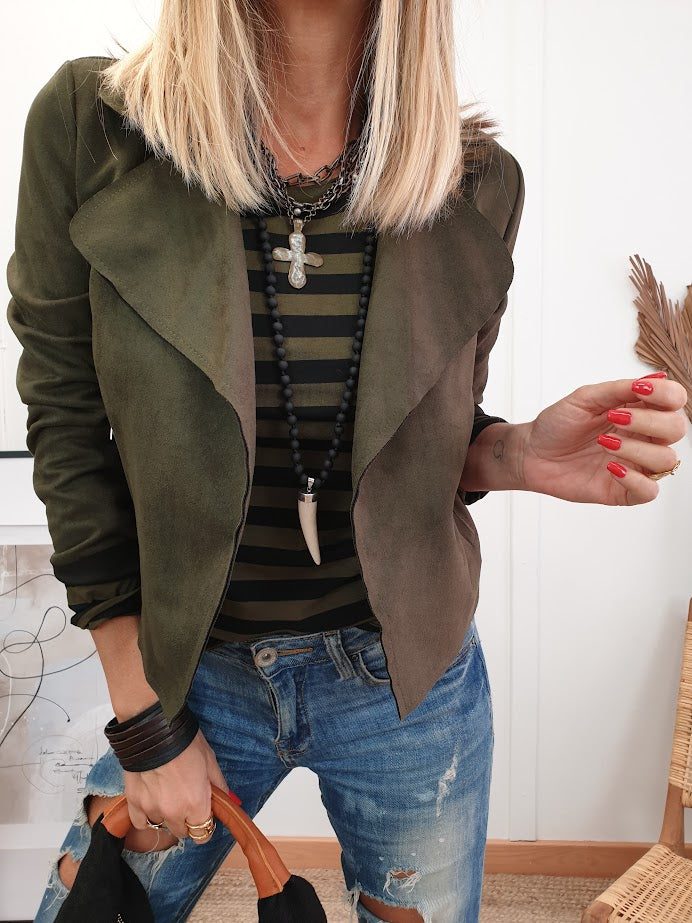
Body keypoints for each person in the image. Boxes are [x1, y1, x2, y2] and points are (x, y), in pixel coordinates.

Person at [7, 1, 687, 921]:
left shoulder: (477, 184)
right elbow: (67, 420)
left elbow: (423, 446)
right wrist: (145, 722)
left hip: (407, 681)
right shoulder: (94, 130)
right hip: (187, 666)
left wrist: (515, 452)